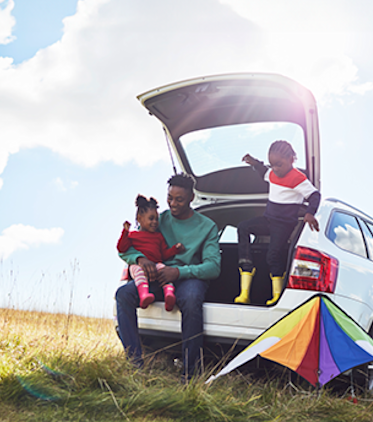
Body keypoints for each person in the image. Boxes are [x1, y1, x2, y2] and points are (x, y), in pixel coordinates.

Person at [115, 173, 222, 377]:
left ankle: (190, 374)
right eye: (170, 198)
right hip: (156, 274)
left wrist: (178, 272)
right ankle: (135, 365)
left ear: (191, 198)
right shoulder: (157, 219)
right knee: (123, 295)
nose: (172, 204)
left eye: (179, 199)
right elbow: (129, 246)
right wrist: (140, 259)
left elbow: (213, 267)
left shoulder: (207, 227)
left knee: (191, 299)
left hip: (188, 277)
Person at [234, 139, 320, 306]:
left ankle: (277, 296)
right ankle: (245, 286)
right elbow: (263, 171)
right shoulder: (272, 173)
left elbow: (315, 195)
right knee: (243, 227)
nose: (275, 169)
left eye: (279, 164)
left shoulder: (298, 178)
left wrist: (310, 213)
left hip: (284, 224)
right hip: (268, 220)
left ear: (291, 159)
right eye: (272, 164)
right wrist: (254, 162)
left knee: (273, 256)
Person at [116, 194, 186, 310]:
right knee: (136, 269)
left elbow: (164, 254)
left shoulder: (158, 237)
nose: (155, 222)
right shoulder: (133, 236)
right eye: (151, 218)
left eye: (156, 219)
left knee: (164, 270)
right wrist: (125, 232)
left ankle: (169, 294)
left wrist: (175, 249)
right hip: (139, 267)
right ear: (139, 219)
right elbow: (122, 248)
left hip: (155, 265)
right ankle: (144, 295)